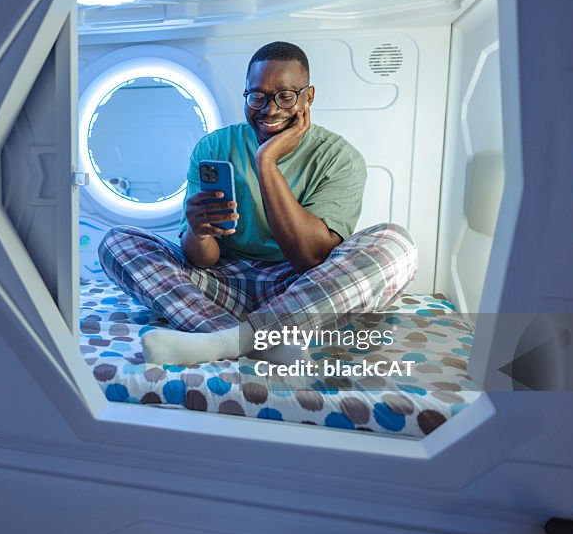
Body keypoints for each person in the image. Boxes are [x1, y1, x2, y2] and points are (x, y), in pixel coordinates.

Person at [98, 41, 417, 365]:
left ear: (309, 96)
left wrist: (267, 162)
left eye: (286, 95)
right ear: (246, 95)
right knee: (117, 243)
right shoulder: (215, 146)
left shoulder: (340, 158)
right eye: (258, 96)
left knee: (396, 245)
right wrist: (199, 233)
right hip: (221, 283)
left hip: (303, 287)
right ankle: (261, 339)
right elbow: (203, 261)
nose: (271, 108)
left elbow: (311, 259)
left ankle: (223, 342)